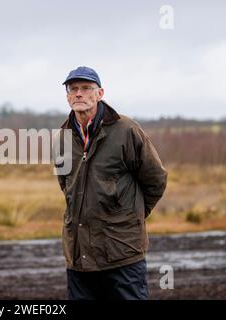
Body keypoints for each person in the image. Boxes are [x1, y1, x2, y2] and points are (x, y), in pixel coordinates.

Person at [54, 66, 167, 300]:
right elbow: (67, 187)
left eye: (86, 88)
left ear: (100, 93)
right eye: (73, 89)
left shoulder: (126, 130)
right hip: (79, 257)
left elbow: (156, 179)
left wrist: (130, 216)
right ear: (67, 96)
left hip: (122, 253)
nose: (78, 94)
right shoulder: (61, 138)